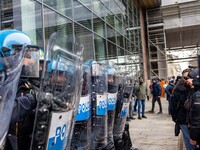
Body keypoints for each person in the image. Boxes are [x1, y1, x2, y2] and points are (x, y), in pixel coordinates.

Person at [171, 73, 195, 150]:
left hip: (181, 119)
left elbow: (172, 106)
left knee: (188, 140)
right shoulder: (192, 90)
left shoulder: (176, 89)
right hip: (191, 119)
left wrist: (175, 118)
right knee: (192, 140)